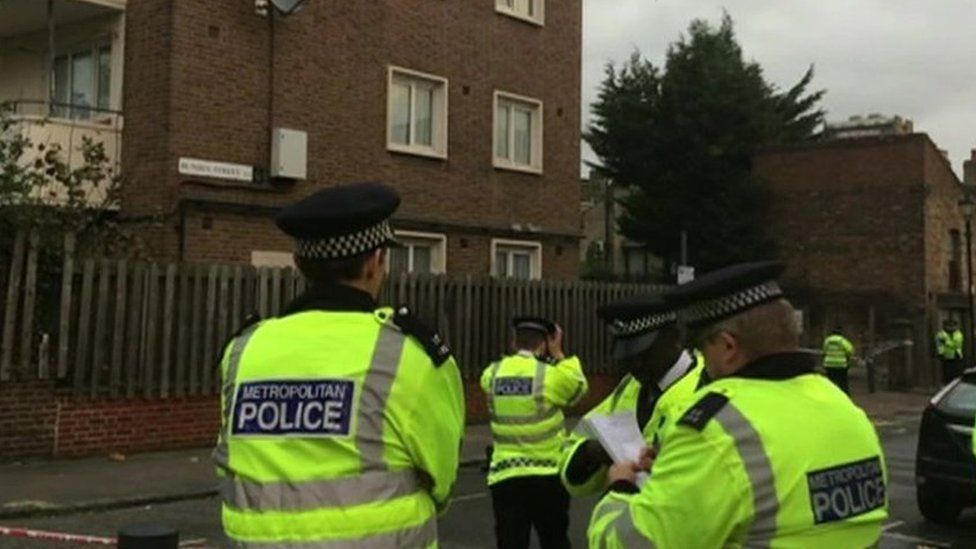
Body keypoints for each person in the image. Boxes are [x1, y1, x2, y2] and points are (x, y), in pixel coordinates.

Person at [212, 182, 466, 547]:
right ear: (378, 261)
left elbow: (229, 463)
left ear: (299, 263)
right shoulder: (409, 355)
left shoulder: (243, 351)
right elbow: (443, 477)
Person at [588, 261, 888, 548]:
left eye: (703, 347)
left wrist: (621, 488)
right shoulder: (846, 409)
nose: (702, 359)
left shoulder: (716, 429)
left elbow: (634, 543)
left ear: (728, 346)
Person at [559, 294, 706, 497]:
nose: (635, 364)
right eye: (627, 356)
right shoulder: (630, 386)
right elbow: (573, 445)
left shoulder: (706, 387)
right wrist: (590, 453)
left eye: (644, 353)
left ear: (674, 337)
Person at [481, 316, 588, 549]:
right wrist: (559, 354)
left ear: (513, 342)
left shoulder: (492, 373)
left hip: (505, 477)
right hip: (547, 477)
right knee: (554, 540)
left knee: (510, 543)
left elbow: (486, 384)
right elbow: (578, 386)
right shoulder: (549, 375)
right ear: (543, 344)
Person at [822, 326, 855, 394]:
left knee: (830, 381)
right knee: (843, 382)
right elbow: (850, 350)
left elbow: (824, 350)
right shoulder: (842, 341)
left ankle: (830, 393)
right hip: (841, 364)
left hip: (829, 363)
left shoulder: (827, 340)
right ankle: (843, 394)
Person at [935, 319, 964, 384]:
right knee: (947, 374)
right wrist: (940, 353)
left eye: (953, 326)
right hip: (946, 357)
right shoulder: (941, 334)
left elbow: (956, 344)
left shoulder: (958, 334)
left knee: (956, 373)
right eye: (949, 326)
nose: (951, 327)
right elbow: (939, 344)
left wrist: (946, 342)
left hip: (957, 356)